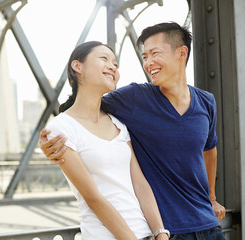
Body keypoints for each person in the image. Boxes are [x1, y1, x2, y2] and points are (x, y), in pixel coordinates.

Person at [40, 22, 226, 240]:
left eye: (154, 53)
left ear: (181, 53)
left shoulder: (206, 101)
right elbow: (84, 108)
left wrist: (211, 198)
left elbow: (209, 150)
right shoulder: (135, 98)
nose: (148, 62)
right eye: (144, 56)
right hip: (168, 229)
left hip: (209, 226)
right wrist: (48, 142)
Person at [45, 41, 168, 240]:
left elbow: (140, 185)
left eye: (116, 64)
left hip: (145, 234)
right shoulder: (61, 128)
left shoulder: (119, 125)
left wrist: (160, 234)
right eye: (104, 58)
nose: (112, 66)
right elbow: (93, 198)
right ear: (78, 66)